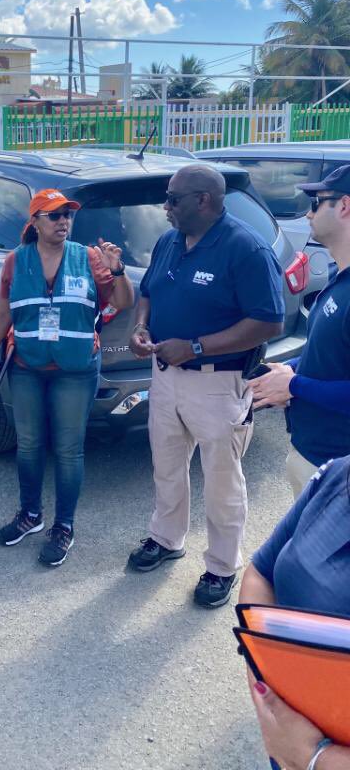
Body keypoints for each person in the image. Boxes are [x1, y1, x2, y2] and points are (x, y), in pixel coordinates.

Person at [127, 164, 285, 608]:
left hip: (218, 382)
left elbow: (268, 322)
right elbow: (148, 293)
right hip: (165, 377)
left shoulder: (246, 248)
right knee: (167, 465)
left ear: (204, 200)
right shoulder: (169, 241)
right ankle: (166, 538)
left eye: (173, 199)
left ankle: (221, 566)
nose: (165, 206)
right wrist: (140, 327)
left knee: (221, 480)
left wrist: (195, 347)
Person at [0, 188, 134, 567]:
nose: (63, 221)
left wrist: (117, 270)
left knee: (68, 449)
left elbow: (123, 302)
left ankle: (64, 526)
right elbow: (3, 312)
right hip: (27, 366)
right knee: (29, 444)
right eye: (54, 215)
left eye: (68, 214)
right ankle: (30, 515)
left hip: (76, 369)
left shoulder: (89, 258)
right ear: (35, 222)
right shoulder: (15, 262)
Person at [239, 457, 350, 768]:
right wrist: (266, 695)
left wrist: (313, 757)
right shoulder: (338, 473)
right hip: (287, 733)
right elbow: (260, 573)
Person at [250, 165, 350, 498]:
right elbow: (332, 356)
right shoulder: (339, 275)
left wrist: (294, 385)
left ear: (344, 206)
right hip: (313, 455)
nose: (308, 214)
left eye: (316, 203)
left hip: (337, 470)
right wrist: (287, 371)